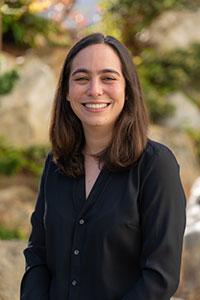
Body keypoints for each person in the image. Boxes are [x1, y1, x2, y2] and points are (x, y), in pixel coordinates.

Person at [20, 33, 186, 300]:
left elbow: (160, 276)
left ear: (128, 89)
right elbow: (37, 253)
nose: (94, 90)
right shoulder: (56, 164)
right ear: (66, 92)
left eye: (108, 78)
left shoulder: (156, 165)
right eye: (81, 78)